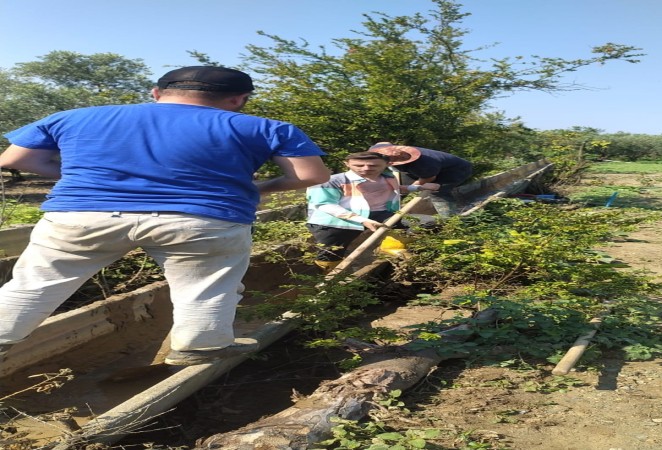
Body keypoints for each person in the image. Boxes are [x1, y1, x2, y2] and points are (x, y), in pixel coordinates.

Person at [0, 66, 331, 366]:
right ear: (238, 99)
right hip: (201, 219)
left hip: (81, 215)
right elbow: (311, 175)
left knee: (35, 284)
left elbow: (14, 160)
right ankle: (199, 346)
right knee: (205, 285)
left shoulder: (74, 117)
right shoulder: (267, 128)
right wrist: (259, 188)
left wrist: (86, 178)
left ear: (156, 93)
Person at [306, 151, 439, 273]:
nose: (366, 168)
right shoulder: (330, 182)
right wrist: (362, 220)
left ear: (387, 164)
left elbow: (395, 188)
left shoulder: (387, 177)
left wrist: (418, 187)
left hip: (378, 214)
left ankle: (390, 247)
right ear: (347, 164)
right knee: (331, 253)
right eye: (359, 165)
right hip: (336, 221)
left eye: (373, 165)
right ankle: (326, 276)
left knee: (427, 223)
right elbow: (325, 205)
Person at [368, 142, 473, 217]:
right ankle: (386, 212)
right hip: (422, 170)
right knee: (397, 188)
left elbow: (429, 177)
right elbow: (383, 143)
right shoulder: (381, 149)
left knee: (437, 191)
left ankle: (450, 217)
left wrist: (412, 187)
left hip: (455, 171)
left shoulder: (424, 163)